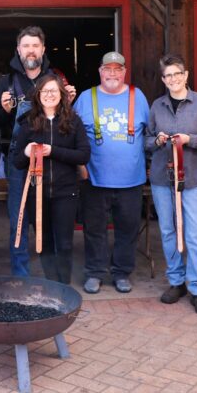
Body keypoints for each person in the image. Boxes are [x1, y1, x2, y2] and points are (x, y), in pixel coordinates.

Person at [0, 26, 76, 277]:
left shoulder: (55, 80)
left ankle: (53, 274)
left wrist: (68, 103)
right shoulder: (6, 81)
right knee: (18, 218)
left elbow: (67, 122)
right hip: (19, 159)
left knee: (48, 220)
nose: (31, 50)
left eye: (35, 45)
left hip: (52, 159)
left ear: (43, 50)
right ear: (18, 49)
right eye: (26, 45)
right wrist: (4, 111)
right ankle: (21, 275)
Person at [145, 54, 197, 316]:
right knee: (168, 231)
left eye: (177, 74)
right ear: (163, 79)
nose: (173, 79)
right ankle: (177, 282)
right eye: (168, 75)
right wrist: (157, 141)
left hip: (193, 178)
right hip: (162, 178)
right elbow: (146, 140)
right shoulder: (157, 105)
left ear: (186, 75)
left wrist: (190, 139)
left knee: (196, 233)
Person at [73, 52, 150, 294]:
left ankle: (121, 272)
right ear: (100, 71)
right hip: (95, 179)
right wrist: (79, 168)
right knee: (94, 229)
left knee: (127, 228)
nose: (113, 74)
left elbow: (151, 134)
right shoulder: (86, 98)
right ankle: (95, 272)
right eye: (108, 69)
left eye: (118, 69)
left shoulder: (138, 97)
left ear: (124, 72)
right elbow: (72, 134)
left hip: (131, 181)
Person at [13, 74, 90, 284]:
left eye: (53, 91)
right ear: (38, 95)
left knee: (64, 243)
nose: (49, 95)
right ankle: (51, 284)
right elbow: (16, 161)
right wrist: (28, 152)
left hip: (66, 191)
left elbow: (84, 155)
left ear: (61, 95)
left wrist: (52, 151)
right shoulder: (28, 123)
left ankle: (63, 285)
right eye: (45, 91)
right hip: (36, 192)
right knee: (43, 242)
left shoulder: (73, 121)